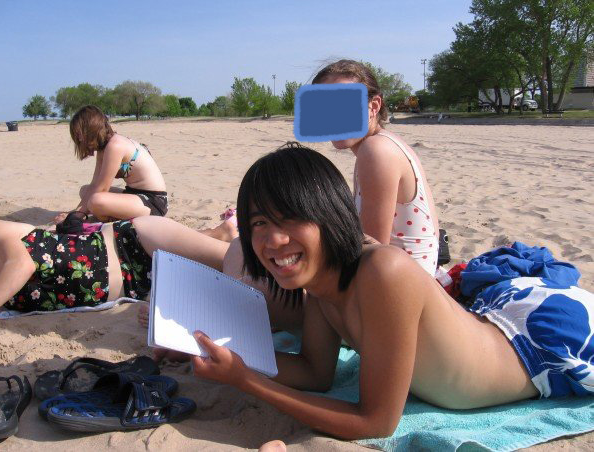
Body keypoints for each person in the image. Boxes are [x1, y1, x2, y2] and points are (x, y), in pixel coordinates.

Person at [186, 146, 594, 440]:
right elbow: (315, 372)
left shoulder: (383, 270)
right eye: (258, 223)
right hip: (496, 321)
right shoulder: (320, 283)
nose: (273, 239)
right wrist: (213, 349)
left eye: (291, 217)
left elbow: (376, 423)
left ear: (329, 215)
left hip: (540, 350)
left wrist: (245, 381)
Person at [312, 59, 440, 275]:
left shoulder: (377, 151)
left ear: (373, 106)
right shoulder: (376, 146)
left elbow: (373, 249)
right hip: (403, 280)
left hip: (402, 289)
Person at [0, 216, 228, 315]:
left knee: (237, 263)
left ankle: (225, 233)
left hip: (130, 244)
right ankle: (220, 233)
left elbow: (22, 265)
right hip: (141, 288)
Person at [55, 105, 168, 223]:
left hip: (153, 202)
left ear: (92, 129)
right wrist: (75, 213)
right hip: (134, 195)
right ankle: (106, 216)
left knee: (95, 201)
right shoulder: (103, 148)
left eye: (80, 134)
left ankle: (107, 221)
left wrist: (75, 216)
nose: (79, 140)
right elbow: (95, 184)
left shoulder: (115, 146)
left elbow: (102, 189)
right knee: (85, 191)